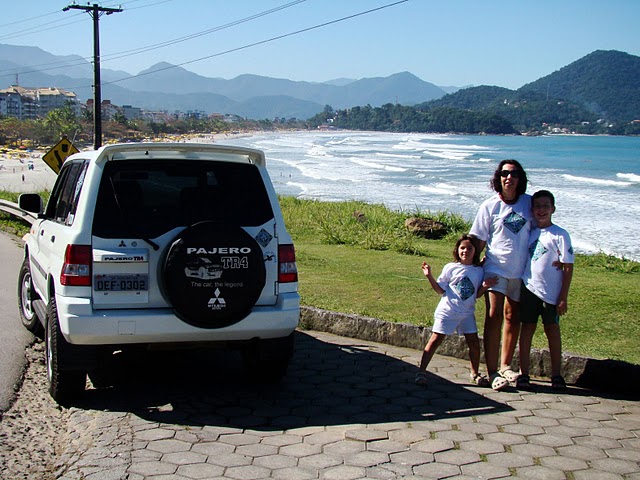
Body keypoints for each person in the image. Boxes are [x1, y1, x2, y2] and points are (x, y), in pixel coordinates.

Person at [470, 160, 533, 390]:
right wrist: (470, 267)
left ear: (520, 178)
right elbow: (478, 239)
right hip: (495, 269)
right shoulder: (489, 206)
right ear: (498, 178)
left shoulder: (528, 203)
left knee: (512, 316)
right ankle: (492, 371)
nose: (509, 178)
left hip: (520, 271)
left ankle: (506, 366)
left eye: (514, 174)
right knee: (494, 314)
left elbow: (542, 228)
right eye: (505, 173)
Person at [415, 235, 498, 387]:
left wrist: (485, 286)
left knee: (474, 343)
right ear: (457, 250)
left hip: (467, 313)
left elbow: (476, 294)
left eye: (470, 248)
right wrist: (429, 276)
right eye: (462, 248)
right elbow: (440, 290)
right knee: (435, 340)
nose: (465, 251)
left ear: (475, 251)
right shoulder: (450, 267)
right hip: (448, 311)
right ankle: (421, 371)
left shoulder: (479, 271)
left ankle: (475, 374)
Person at [516, 190, 574, 391]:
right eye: (537, 206)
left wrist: (563, 297)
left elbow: (568, 266)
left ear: (553, 209)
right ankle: (523, 373)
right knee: (527, 328)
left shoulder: (560, 234)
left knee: (552, 329)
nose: (541, 210)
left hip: (552, 293)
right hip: (529, 288)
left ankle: (556, 375)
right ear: (532, 210)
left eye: (545, 206)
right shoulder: (529, 231)